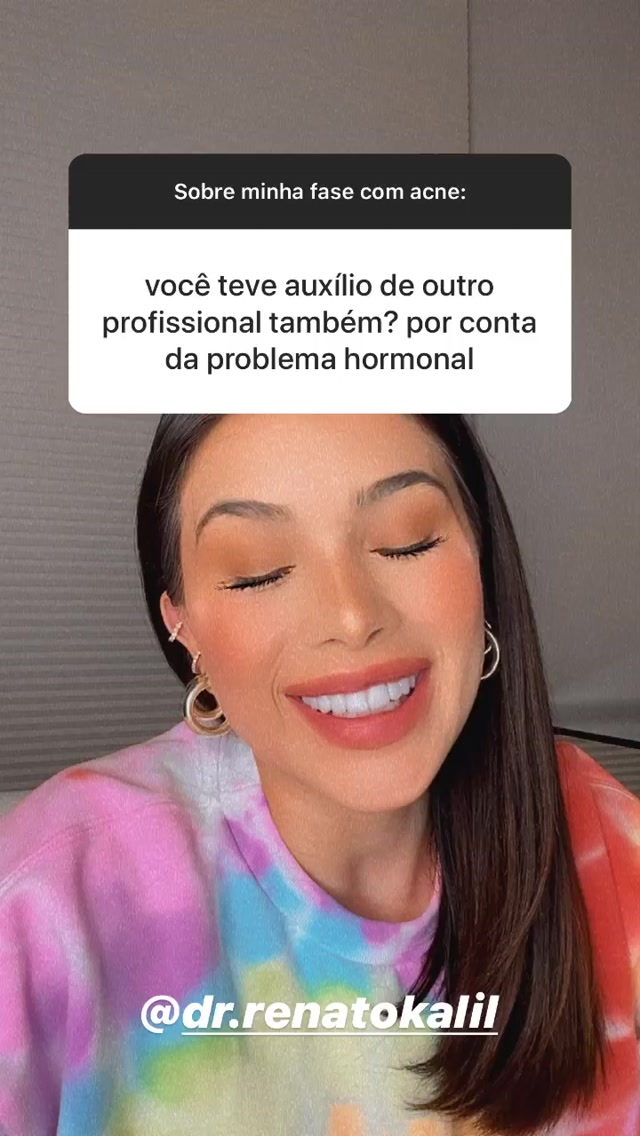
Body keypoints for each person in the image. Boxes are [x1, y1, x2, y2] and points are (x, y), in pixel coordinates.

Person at [0, 414, 637, 1136]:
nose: (351, 616)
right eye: (259, 572)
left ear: (482, 562)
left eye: (408, 540)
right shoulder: (44, 904)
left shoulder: (602, 837)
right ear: (184, 627)